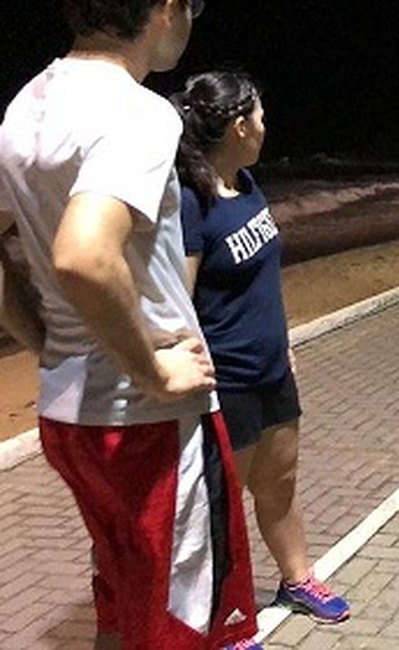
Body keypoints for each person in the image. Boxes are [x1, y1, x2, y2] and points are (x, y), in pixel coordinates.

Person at [0, 2, 263, 649]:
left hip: (70, 418)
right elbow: (84, 254)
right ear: (165, 7)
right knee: (181, 620)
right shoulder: (137, 111)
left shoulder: (26, 106)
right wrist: (151, 369)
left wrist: (50, 345)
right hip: (147, 425)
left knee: (122, 597)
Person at [171, 71, 351, 624]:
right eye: (261, 118)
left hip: (273, 368)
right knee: (219, 512)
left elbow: (264, 280)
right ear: (238, 126)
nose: (266, 127)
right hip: (229, 383)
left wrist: (284, 338)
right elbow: (179, 301)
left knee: (280, 483)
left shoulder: (247, 185)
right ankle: (223, 619)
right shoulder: (190, 203)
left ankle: (297, 581)